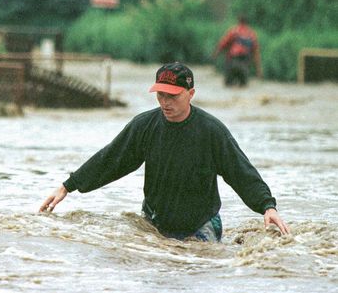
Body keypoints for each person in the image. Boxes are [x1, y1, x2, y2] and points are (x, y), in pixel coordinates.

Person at [39, 62, 290, 242]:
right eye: (160, 95)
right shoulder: (144, 126)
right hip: (154, 222)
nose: (165, 102)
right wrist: (69, 185)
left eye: (173, 96)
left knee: (197, 268)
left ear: (190, 94)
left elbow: (241, 172)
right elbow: (111, 159)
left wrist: (267, 206)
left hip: (200, 224)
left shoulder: (212, 131)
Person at [212, 15, 262, 87]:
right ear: (247, 22)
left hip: (233, 60)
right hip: (244, 62)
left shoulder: (233, 31)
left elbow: (222, 44)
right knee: (243, 87)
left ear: (238, 21)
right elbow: (256, 53)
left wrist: (215, 55)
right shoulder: (252, 34)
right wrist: (258, 70)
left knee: (228, 86)